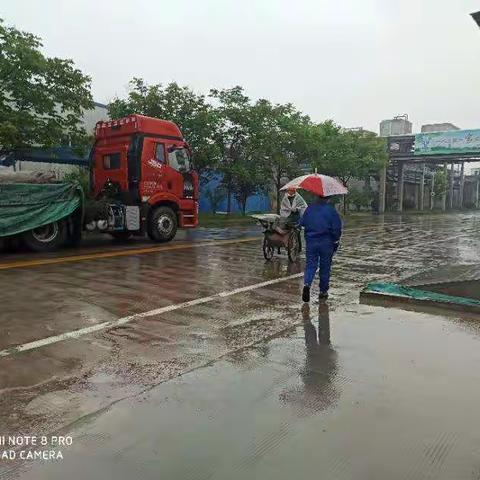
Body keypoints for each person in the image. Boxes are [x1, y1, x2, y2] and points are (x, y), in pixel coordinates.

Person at [299, 196, 342, 302]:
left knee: (310, 265)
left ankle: (307, 284)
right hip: (326, 243)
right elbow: (336, 228)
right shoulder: (331, 211)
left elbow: (302, 222)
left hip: (311, 242)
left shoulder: (309, 209)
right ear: (328, 199)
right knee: (325, 267)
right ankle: (323, 291)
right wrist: (336, 240)